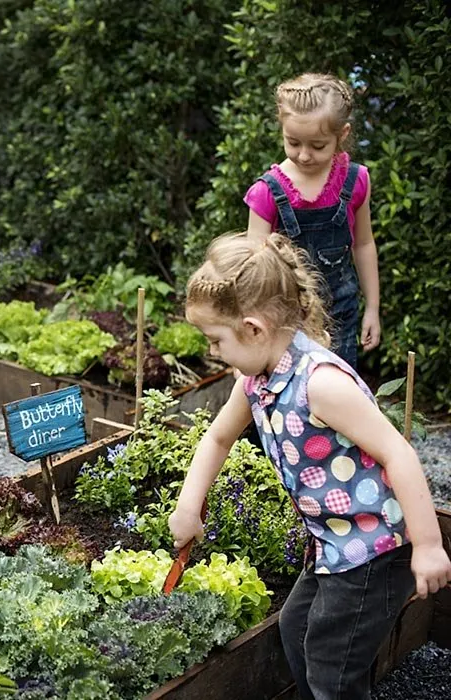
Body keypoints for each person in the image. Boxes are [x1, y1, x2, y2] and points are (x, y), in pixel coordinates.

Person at [168, 232, 451, 699]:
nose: (213, 352)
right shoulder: (256, 380)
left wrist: (428, 545)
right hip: (334, 541)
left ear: (254, 328)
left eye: (216, 340)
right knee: (298, 627)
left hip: (374, 547)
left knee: (331, 663)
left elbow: (397, 451)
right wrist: (188, 506)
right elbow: (218, 438)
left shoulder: (320, 384)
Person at [245, 73, 378, 368]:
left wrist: (372, 307)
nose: (303, 155)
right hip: (283, 320)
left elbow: (364, 245)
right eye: (293, 143)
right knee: (286, 399)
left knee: (334, 395)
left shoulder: (356, 181)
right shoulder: (267, 192)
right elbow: (254, 268)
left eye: (317, 146)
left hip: (339, 315)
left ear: (342, 135)